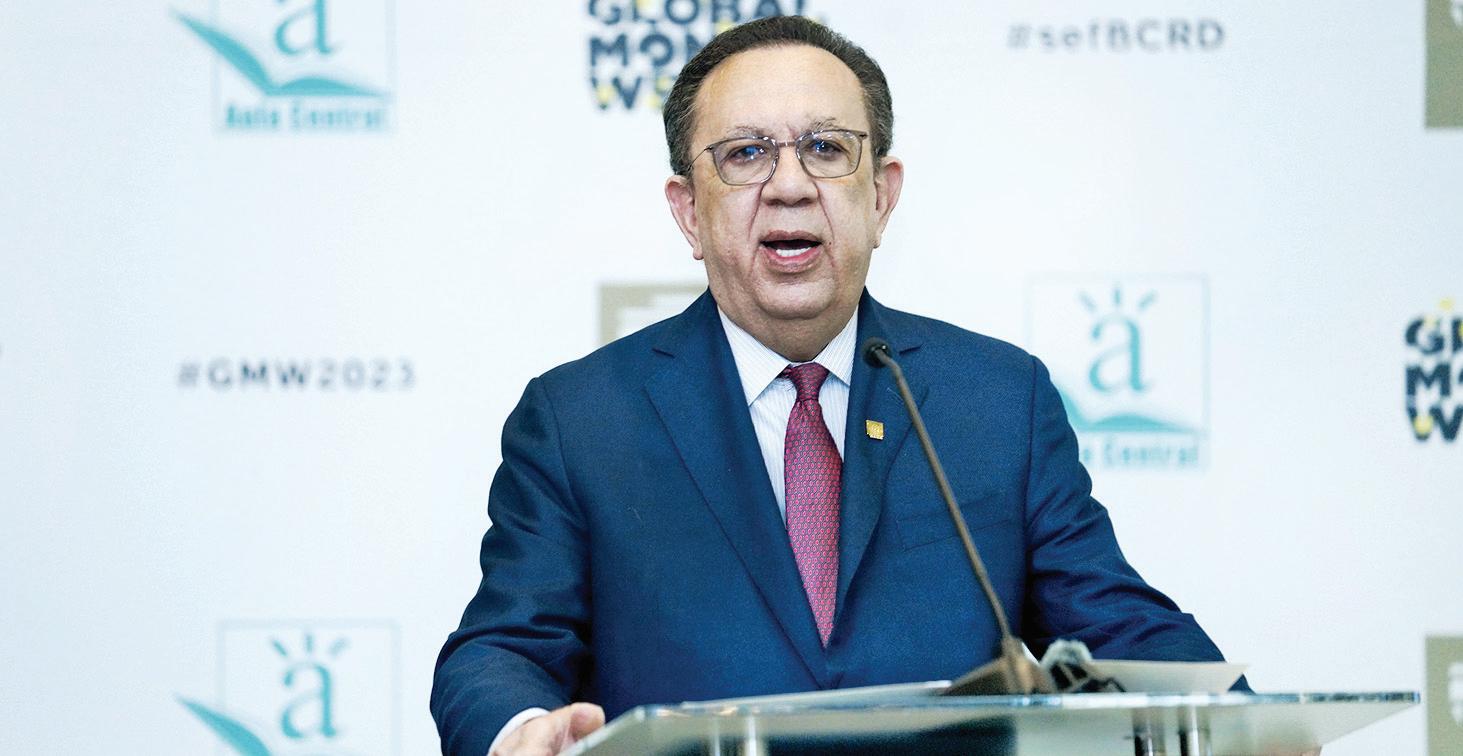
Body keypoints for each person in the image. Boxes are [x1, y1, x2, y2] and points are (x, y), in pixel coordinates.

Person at [431, 16, 1238, 756]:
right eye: (745, 154)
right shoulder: (580, 420)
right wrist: (521, 731)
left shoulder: (996, 401)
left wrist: (1244, 723)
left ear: (880, 196)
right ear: (688, 212)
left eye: (825, 148)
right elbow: (502, 647)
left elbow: (1115, 623)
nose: (789, 185)